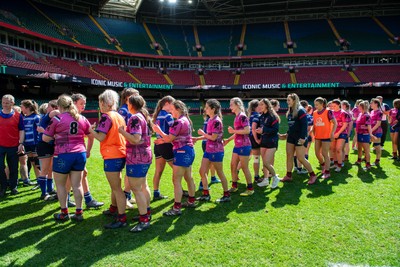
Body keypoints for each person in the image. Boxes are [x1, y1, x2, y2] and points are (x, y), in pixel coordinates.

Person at [43, 94, 92, 222]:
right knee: (77, 185)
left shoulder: (57, 119)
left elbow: (45, 138)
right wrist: (88, 150)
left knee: (60, 185)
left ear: (59, 106)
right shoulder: (81, 118)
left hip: (63, 154)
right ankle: (79, 212)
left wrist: (55, 136)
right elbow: (91, 135)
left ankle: (64, 213)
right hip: (79, 154)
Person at [89, 89, 127, 228]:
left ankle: (121, 218)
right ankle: (113, 208)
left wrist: (90, 130)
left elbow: (100, 137)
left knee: (116, 188)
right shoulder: (118, 116)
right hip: (120, 153)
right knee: (116, 186)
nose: (99, 105)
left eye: (100, 102)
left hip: (112, 155)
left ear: (106, 102)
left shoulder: (106, 117)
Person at [153, 100, 196, 216]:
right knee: (189, 178)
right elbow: (178, 137)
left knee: (176, 180)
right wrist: (162, 140)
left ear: (178, 109)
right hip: (189, 150)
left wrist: (158, 131)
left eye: (172, 110)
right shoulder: (186, 120)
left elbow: (169, 138)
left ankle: (176, 208)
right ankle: (191, 201)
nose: (170, 112)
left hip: (181, 152)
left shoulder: (178, 122)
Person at [118, 95, 152, 232]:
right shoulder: (141, 116)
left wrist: (121, 131)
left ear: (131, 104)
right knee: (142, 186)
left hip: (137, 157)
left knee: (136, 189)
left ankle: (144, 220)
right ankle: (146, 214)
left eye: (127, 103)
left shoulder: (135, 118)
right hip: (143, 156)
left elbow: (136, 139)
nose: (126, 105)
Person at [71, 93, 103, 208]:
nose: (83, 106)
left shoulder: (79, 118)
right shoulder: (77, 118)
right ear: (73, 103)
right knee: (73, 176)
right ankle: (70, 202)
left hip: (72, 152)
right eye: (81, 103)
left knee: (82, 174)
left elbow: (90, 136)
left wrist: (88, 150)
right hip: (71, 152)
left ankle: (86, 199)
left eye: (84, 103)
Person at [196, 99, 231, 203]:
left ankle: (226, 195)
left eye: (207, 107)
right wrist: (196, 139)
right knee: (202, 171)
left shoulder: (216, 121)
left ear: (213, 109)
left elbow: (213, 137)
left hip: (216, 151)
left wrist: (202, 133)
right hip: (208, 150)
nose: (205, 109)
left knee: (220, 173)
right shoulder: (210, 120)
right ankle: (206, 194)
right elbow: (209, 137)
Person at [281, 93, 317, 185]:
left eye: (289, 100)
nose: (287, 102)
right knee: (289, 155)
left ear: (294, 100)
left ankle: (313, 175)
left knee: (300, 157)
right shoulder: (290, 111)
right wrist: (287, 134)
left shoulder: (301, 110)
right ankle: (288, 175)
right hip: (291, 137)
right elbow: (291, 126)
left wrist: (303, 138)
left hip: (299, 137)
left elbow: (304, 125)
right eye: (287, 100)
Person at [224, 97, 253, 196]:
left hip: (244, 145)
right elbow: (237, 133)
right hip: (237, 145)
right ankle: (234, 186)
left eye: (231, 104)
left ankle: (250, 188)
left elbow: (247, 130)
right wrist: (228, 139)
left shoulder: (242, 116)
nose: (230, 107)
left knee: (244, 167)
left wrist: (233, 131)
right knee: (233, 165)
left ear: (237, 104)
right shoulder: (237, 116)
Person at [118, 88, 139, 207]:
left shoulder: (132, 110)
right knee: (128, 171)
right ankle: (124, 197)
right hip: (126, 143)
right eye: (135, 95)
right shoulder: (123, 111)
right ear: (127, 98)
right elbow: (122, 128)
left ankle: (128, 195)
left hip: (132, 142)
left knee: (130, 171)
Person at [151, 96, 175, 200]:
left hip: (158, 145)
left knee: (158, 170)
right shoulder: (168, 116)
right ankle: (180, 191)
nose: (173, 106)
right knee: (178, 169)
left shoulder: (157, 115)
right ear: (167, 103)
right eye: (172, 104)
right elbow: (174, 129)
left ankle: (156, 192)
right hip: (166, 144)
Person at [0, 94, 24, 197]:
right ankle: (3, 186)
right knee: (0, 167)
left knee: (13, 167)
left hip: (13, 145)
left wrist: (21, 143)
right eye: (3, 102)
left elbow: (21, 130)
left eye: (7, 103)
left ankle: (13, 186)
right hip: (0, 145)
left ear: (12, 103)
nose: (5, 105)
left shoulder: (18, 116)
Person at [255, 98, 280, 189]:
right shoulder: (262, 116)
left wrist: (263, 130)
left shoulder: (273, 116)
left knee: (266, 162)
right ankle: (265, 180)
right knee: (264, 162)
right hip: (264, 141)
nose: (260, 106)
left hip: (272, 142)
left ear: (266, 105)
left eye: (262, 104)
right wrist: (260, 131)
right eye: (259, 105)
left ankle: (275, 177)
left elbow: (275, 130)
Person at [36, 100, 59, 200]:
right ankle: (43, 193)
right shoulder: (47, 116)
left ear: (53, 107)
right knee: (44, 169)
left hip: (51, 144)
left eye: (49, 106)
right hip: (44, 145)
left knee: (50, 169)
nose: (47, 108)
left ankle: (50, 189)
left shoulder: (55, 119)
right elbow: (55, 112)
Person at [194, 111, 221, 191]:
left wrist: (198, 138)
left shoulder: (208, 119)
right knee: (207, 165)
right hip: (208, 143)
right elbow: (209, 135)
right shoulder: (211, 120)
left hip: (206, 142)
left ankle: (213, 177)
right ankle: (202, 184)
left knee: (210, 163)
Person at [312, 97, 337, 179]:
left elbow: (335, 123)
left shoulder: (328, 111)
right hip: (317, 136)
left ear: (322, 104)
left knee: (324, 153)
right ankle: (323, 165)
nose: (315, 106)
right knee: (316, 153)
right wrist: (312, 132)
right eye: (315, 105)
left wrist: (332, 133)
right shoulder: (315, 113)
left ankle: (327, 172)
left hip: (326, 136)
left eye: (317, 105)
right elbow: (315, 124)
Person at [20, 99, 41, 186]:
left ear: (27, 107)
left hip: (35, 143)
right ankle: (38, 180)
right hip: (27, 144)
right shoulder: (23, 118)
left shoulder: (36, 117)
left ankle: (41, 181)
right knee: (32, 162)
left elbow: (40, 131)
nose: (21, 108)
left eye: (22, 106)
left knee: (37, 163)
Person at [330, 99, 350, 172]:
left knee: (338, 149)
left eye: (334, 106)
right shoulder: (331, 113)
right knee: (333, 149)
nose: (333, 107)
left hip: (342, 133)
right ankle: (335, 163)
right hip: (333, 133)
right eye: (332, 106)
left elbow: (345, 125)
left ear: (339, 105)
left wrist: (338, 133)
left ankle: (340, 164)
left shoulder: (343, 113)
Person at [354, 101, 375, 170]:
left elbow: (369, 126)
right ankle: (359, 160)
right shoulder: (360, 114)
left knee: (366, 150)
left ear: (362, 107)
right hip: (359, 134)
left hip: (365, 134)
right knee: (359, 148)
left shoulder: (367, 115)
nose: (358, 107)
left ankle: (368, 164)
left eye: (359, 106)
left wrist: (371, 134)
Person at [247, 99, 262, 183]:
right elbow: (253, 128)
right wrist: (257, 139)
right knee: (256, 158)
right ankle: (256, 177)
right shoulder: (257, 116)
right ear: (257, 107)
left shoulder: (249, 116)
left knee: (248, 156)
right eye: (260, 105)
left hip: (248, 139)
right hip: (254, 139)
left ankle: (237, 171)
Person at [369, 98, 383, 166]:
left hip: (377, 132)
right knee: (367, 145)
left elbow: (378, 124)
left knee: (377, 146)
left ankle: (377, 160)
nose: (370, 104)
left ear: (376, 104)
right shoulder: (371, 111)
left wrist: (371, 131)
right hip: (371, 132)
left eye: (372, 103)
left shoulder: (379, 112)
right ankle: (365, 158)